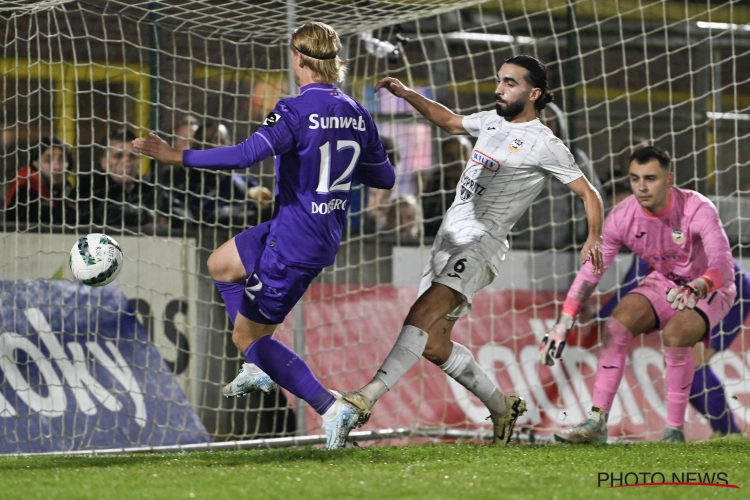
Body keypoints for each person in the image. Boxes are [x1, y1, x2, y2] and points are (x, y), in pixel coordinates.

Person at [133, 22, 395, 450]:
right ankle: (258, 366)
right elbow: (384, 177)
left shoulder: (293, 110)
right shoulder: (357, 111)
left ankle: (331, 408)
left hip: (294, 241)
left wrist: (174, 155)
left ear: (300, 59)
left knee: (246, 337)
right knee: (220, 263)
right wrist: (339, 164)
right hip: (311, 229)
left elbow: (244, 155)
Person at [341, 54, 605, 445]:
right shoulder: (492, 120)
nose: (499, 89)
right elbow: (448, 120)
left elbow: (590, 194)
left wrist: (593, 237)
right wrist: (406, 93)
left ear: (534, 93)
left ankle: (365, 397)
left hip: (482, 246)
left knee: (421, 313)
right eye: (499, 81)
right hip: (447, 240)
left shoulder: (545, 144)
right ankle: (502, 406)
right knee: (433, 343)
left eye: (510, 83)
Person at [544, 146, 737, 443]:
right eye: (635, 179)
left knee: (675, 337)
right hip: (664, 282)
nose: (642, 187)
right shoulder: (622, 217)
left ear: (669, 179)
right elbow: (591, 271)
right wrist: (564, 320)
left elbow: (723, 265)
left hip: (710, 286)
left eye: (650, 178)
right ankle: (596, 423)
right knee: (616, 325)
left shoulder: (698, 208)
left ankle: (674, 432)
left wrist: (696, 287)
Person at [83, 129, 164, 229]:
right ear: (104, 162)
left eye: (132, 156)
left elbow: (179, 212)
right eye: (118, 156)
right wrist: (147, 215)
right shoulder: (89, 185)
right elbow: (104, 214)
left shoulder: (149, 186)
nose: (127, 162)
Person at [5, 136, 77, 226]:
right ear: (35, 163)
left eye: (61, 160)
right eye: (48, 161)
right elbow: (36, 216)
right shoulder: (26, 188)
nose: (57, 167)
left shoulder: (66, 189)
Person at [421, 136, 473, 237]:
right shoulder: (433, 189)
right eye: (449, 155)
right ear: (442, 160)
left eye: (462, 153)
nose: (457, 160)